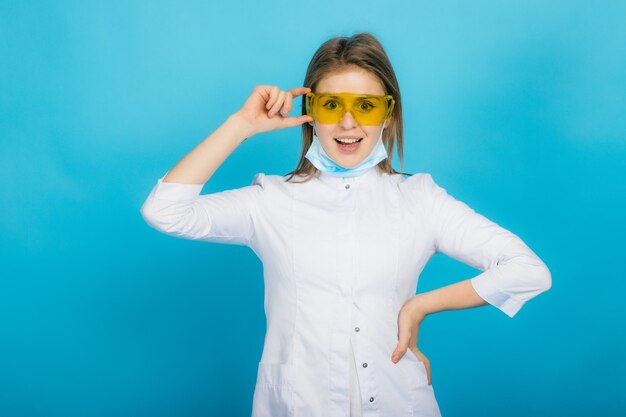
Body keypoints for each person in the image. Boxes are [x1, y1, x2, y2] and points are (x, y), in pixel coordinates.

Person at [140, 33, 551, 417]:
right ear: (311, 113)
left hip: (398, 399)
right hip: (298, 402)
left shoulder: (420, 200)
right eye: (332, 105)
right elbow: (165, 211)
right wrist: (241, 126)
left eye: (366, 106)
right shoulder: (271, 200)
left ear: (388, 115)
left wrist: (421, 305)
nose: (349, 124)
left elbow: (527, 270)